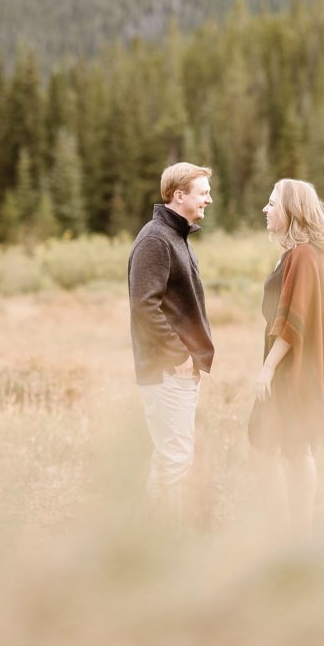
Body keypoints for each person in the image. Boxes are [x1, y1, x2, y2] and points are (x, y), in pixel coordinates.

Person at [249, 178, 324, 539]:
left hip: (295, 369)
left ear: (290, 211)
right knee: (276, 444)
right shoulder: (294, 253)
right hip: (288, 366)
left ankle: (295, 533)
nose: (266, 208)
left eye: (273, 203)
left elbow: (294, 319)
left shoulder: (303, 256)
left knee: (292, 447)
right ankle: (285, 530)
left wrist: (267, 369)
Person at [128, 162, 215, 519]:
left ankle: (149, 537)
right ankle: (173, 544)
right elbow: (143, 304)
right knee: (177, 458)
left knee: (168, 455)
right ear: (179, 196)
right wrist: (178, 355)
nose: (209, 200)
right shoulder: (155, 239)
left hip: (177, 370)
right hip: (167, 371)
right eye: (203, 193)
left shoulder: (175, 235)